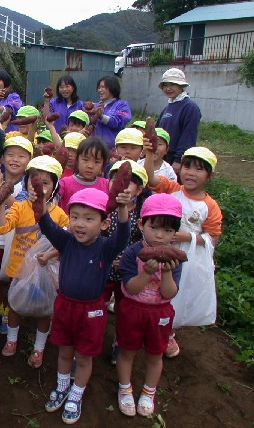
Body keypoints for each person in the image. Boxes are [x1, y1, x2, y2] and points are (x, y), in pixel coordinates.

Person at [37, 187, 131, 424]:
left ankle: (76, 394)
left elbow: (123, 236)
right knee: (65, 351)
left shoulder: (105, 248)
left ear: (103, 223)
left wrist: (121, 207)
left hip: (92, 311)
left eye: (89, 219)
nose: (80, 224)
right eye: (75, 216)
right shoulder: (67, 241)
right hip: (65, 307)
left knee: (85, 356)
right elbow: (47, 226)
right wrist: (40, 203)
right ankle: (61, 386)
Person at [144, 145, 222, 358]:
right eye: (187, 167)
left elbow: (213, 236)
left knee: (178, 293)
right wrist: (149, 154)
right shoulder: (172, 189)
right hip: (161, 247)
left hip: (186, 257)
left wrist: (188, 237)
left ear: (209, 175)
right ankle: (150, 326)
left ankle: (169, 333)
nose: (191, 173)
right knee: (154, 286)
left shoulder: (209, 205)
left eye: (199, 169)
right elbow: (151, 179)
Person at [0, 156, 69, 368]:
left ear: (54, 188)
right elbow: (1, 228)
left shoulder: (60, 215)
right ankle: (12, 340)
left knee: (44, 312)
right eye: (34, 181)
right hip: (19, 269)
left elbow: (67, 242)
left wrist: (50, 256)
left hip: (46, 272)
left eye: (45, 183)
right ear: (26, 182)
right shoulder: (20, 208)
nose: (39, 187)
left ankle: (39, 348)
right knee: (15, 306)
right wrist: (0, 203)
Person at [116, 193, 183, 418]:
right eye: (154, 228)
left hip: (160, 312)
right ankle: (125, 389)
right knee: (127, 351)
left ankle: (148, 392)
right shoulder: (133, 252)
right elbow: (131, 288)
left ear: (175, 233)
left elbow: (170, 293)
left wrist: (167, 274)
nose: (160, 236)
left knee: (155, 355)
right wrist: (146, 273)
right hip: (132, 309)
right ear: (142, 224)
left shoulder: (174, 257)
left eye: (168, 231)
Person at [0, 137, 33, 335]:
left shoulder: (27, 185)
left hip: (14, 241)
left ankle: (11, 311)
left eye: (21, 156)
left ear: (29, 160)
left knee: (12, 279)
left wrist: (3, 186)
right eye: (10, 155)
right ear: (2, 158)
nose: (15, 159)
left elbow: (19, 207)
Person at [102, 160, 148, 364]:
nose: (120, 185)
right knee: (98, 303)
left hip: (128, 272)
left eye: (128, 182)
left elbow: (144, 242)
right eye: (115, 179)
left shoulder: (141, 214)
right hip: (103, 268)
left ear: (139, 190)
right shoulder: (103, 207)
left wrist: (128, 261)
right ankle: (94, 334)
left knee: (123, 308)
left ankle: (119, 343)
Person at [156, 68, 201, 176]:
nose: (168, 88)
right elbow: (157, 132)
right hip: (163, 156)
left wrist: (179, 159)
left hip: (175, 159)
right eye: (165, 85)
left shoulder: (189, 107)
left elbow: (189, 136)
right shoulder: (167, 107)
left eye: (172, 84)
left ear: (181, 86)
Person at [57, 136, 110, 214]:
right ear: (77, 159)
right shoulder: (65, 183)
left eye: (97, 162)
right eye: (85, 160)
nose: (90, 166)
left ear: (103, 164)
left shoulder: (107, 185)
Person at [89, 76, 131, 149]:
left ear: (112, 88)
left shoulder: (122, 105)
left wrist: (101, 116)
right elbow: (88, 123)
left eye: (103, 87)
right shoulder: (95, 106)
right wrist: (95, 116)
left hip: (113, 149)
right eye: (99, 88)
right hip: (95, 149)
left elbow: (119, 122)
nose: (99, 90)